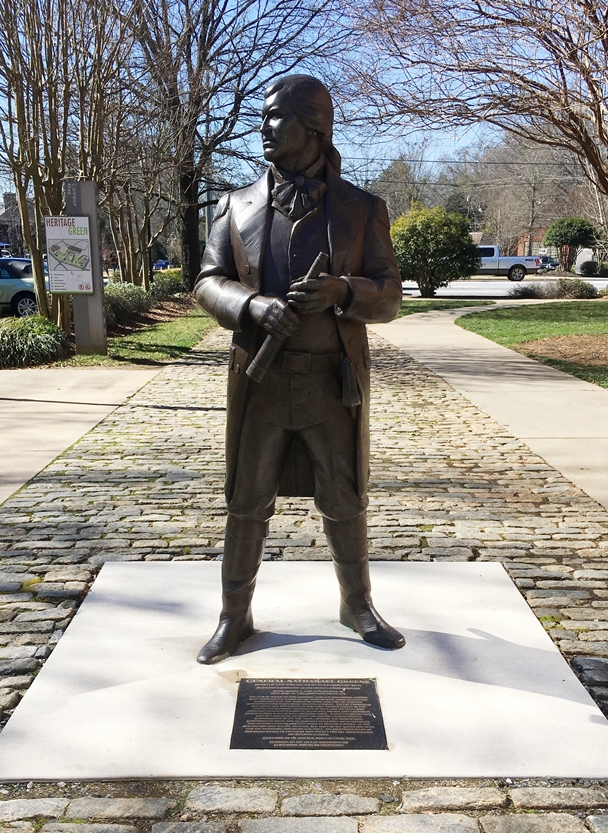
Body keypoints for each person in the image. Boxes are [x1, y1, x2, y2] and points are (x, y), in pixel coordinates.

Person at [194, 74, 405, 665]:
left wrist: (344, 289)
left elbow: (389, 297)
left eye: (275, 118)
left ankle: (356, 604)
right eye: (264, 118)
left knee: (346, 497)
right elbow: (207, 282)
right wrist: (253, 304)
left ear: (313, 126)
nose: (263, 128)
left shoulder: (362, 209)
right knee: (246, 497)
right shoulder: (235, 206)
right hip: (259, 379)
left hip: (332, 381)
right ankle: (234, 615)